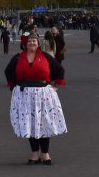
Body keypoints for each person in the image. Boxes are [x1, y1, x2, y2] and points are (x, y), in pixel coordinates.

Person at [4, 32, 66, 165]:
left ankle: (45, 153)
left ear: (38, 44)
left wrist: (56, 85)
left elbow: (59, 69)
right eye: (30, 41)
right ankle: (34, 154)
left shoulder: (45, 56)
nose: (32, 43)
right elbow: (8, 71)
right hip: (25, 96)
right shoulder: (18, 58)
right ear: (25, 44)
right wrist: (13, 87)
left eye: (34, 41)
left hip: (43, 95)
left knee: (44, 123)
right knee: (30, 123)